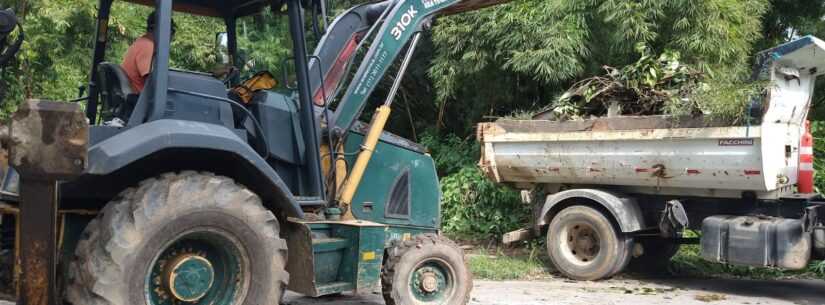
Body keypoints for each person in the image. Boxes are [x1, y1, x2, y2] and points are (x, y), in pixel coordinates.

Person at [121, 11, 175, 93]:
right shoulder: (148, 46)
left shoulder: (141, 42)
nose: (172, 36)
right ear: (159, 29)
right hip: (140, 102)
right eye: (172, 31)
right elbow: (151, 81)